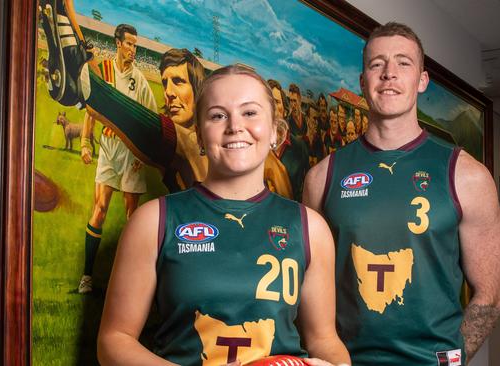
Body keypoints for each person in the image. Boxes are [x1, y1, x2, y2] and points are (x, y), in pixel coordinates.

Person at [97, 65, 351, 366]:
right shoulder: (153, 220)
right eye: (218, 115)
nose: (235, 126)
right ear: (200, 136)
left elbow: (324, 340)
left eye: (250, 113)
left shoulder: (311, 228)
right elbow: (114, 340)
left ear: (275, 132)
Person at [303, 22, 500, 365]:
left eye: (403, 63)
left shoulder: (466, 174)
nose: (389, 74)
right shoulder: (322, 176)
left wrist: (452, 360)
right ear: (363, 81)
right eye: (377, 64)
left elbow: (491, 294)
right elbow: (309, 287)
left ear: (422, 81)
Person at [38, 0, 293, 198]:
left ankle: (84, 85)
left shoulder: (258, 161)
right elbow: (129, 115)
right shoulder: (175, 141)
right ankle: (84, 85)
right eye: (165, 82)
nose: (168, 91)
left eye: (178, 82)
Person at [78, 23, 157, 294]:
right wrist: (86, 142)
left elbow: (153, 122)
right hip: (109, 151)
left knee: (132, 219)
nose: (133, 50)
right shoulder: (105, 72)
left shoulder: (141, 82)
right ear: (117, 43)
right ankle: (87, 276)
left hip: (130, 154)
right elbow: (91, 111)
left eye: (136, 45)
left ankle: (131, 284)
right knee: (99, 209)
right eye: (129, 44)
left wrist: (143, 156)